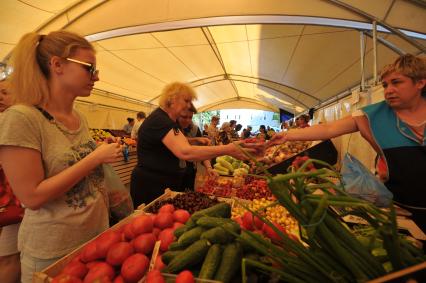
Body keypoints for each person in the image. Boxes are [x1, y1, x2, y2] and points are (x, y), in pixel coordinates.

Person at [0, 31, 124, 282]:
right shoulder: (22, 118)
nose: (97, 77)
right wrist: (94, 158)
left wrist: (96, 151)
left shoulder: (79, 117)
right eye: (90, 68)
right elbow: (32, 196)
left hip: (96, 239)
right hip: (53, 252)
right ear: (57, 65)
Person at [269, 54, 426, 231]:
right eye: (385, 85)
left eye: (396, 82)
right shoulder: (373, 115)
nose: (388, 90)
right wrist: (288, 135)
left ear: (420, 82)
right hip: (400, 209)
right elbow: (329, 129)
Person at [130, 82, 255, 207]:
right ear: (172, 99)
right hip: (152, 185)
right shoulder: (161, 120)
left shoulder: (165, 120)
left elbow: (174, 142)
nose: (189, 105)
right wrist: (228, 149)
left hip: (160, 183)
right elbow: (185, 151)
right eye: (186, 100)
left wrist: (195, 140)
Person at [0, 78, 22, 283]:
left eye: (5, 92)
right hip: (12, 201)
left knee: (9, 256)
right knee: (9, 257)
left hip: (13, 201)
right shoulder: (8, 122)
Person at [178, 105, 217, 191]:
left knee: (189, 192)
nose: (188, 120)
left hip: (191, 169)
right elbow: (180, 142)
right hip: (175, 172)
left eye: (190, 117)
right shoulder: (172, 128)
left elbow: (202, 149)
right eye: (184, 117)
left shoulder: (195, 129)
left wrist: (209, 167)